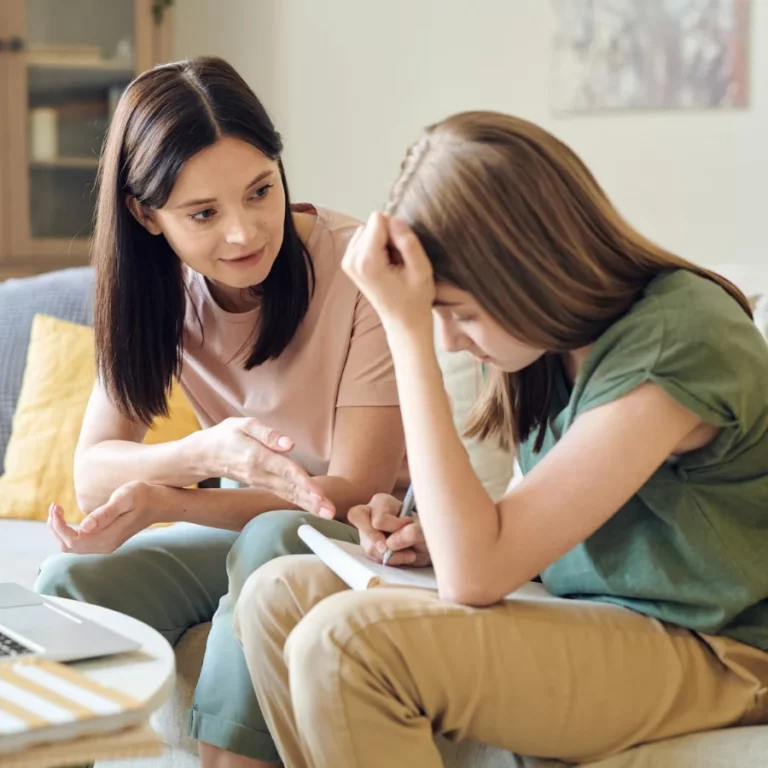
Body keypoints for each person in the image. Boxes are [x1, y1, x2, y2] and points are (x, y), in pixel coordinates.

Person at [233, 111, 768, 768]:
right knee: (274, 596)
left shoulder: (678, 338)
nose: (452, 340)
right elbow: (518, 533)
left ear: (531, 273)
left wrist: (406, 336)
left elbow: (476, 573)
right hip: (602, 615)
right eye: (437, 317)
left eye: (460, 314)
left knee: (340, 644)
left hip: (719, 649)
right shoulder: (552, 346)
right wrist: (427, 532)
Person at [35, 57, 406, 768]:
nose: (244, 234)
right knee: (66, 586)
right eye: (203, 214)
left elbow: (347, 490)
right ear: (147, 216)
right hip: (254, 524)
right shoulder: (158, 293)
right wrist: (203, 458)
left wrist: (165, 500)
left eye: (260, 191)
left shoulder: (357, 270)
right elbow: (92, 475)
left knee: (269, 543)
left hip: (360, 537)